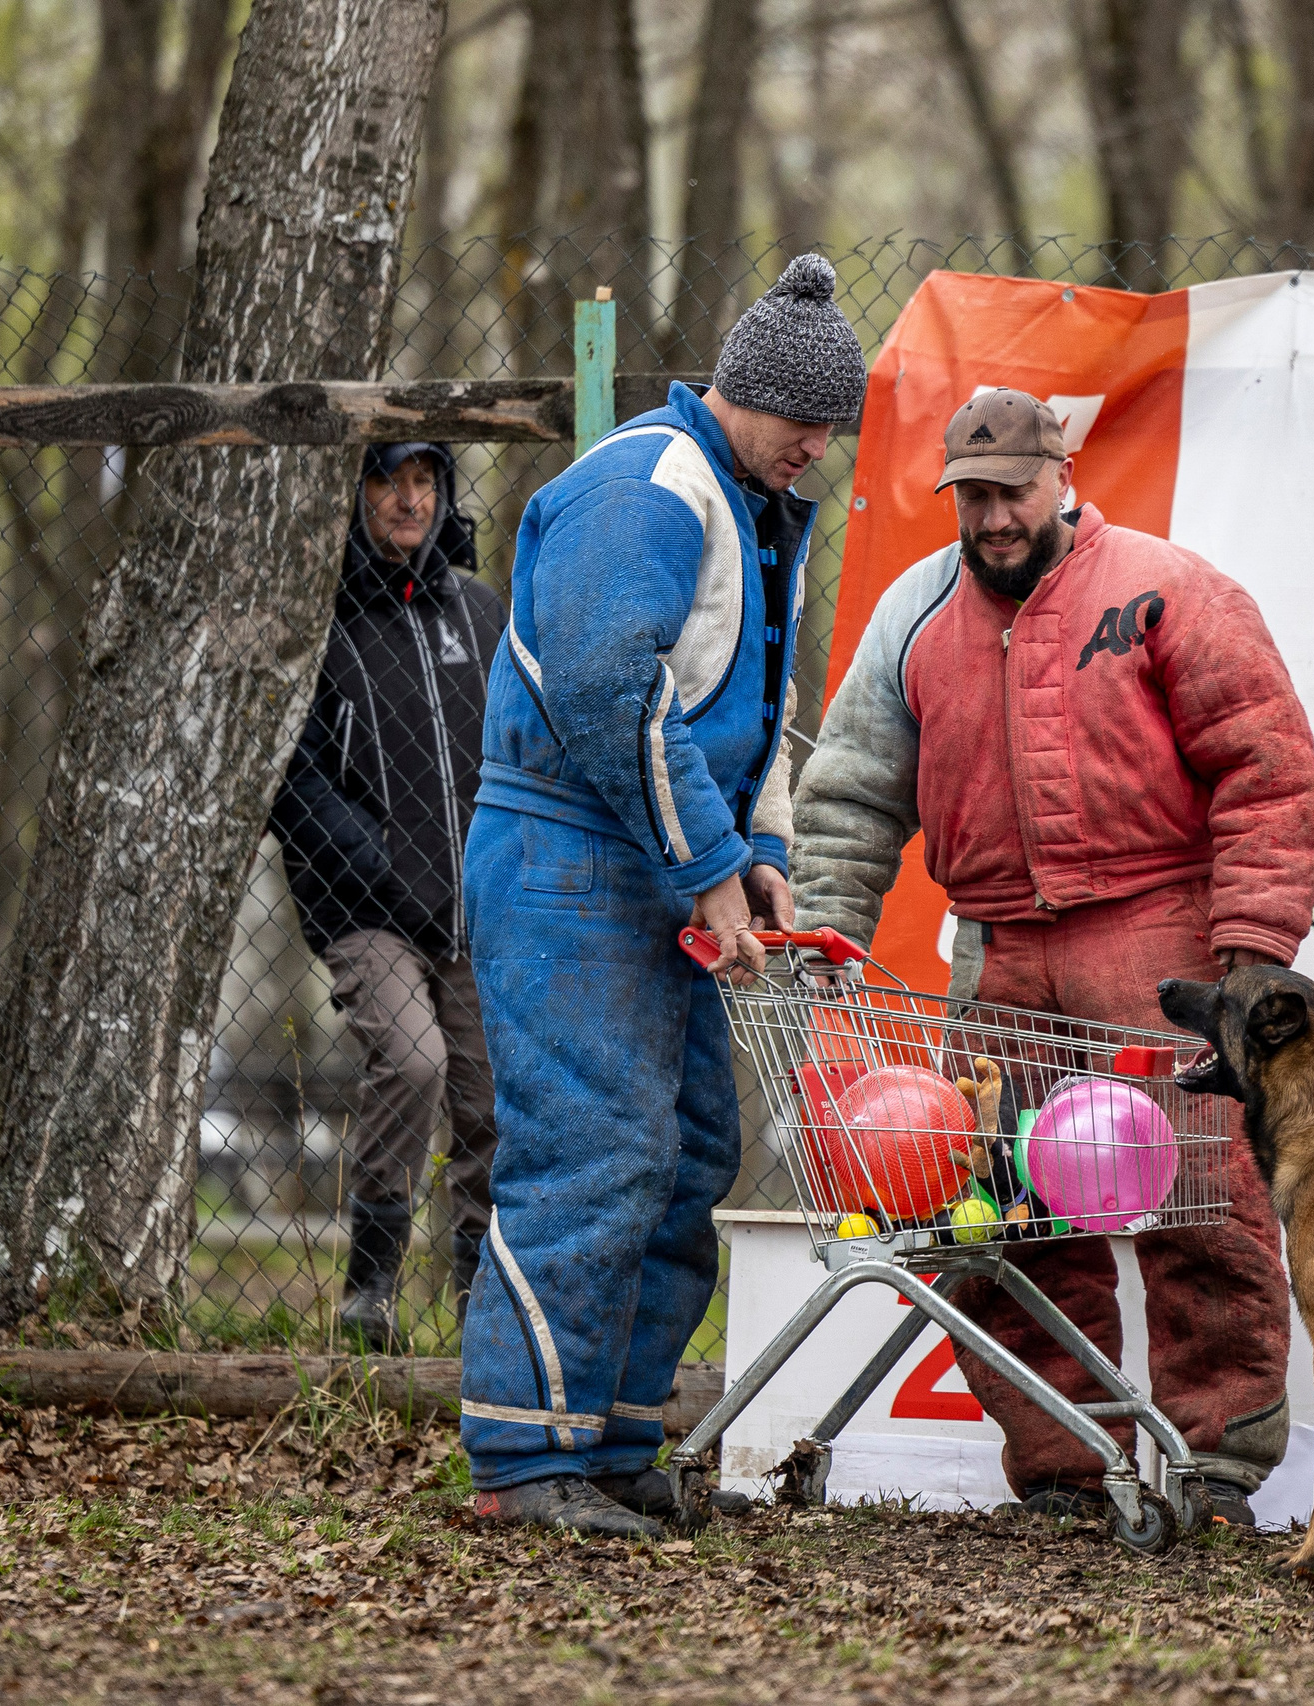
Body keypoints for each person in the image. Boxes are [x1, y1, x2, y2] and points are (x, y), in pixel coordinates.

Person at [792, 388, 1314, 1527]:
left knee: (1204, 1208)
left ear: (1062, 476)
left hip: (1161, 934)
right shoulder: (913, 614)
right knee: (998, 1216)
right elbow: (846, 795)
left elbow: (1265, 770)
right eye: (971, 495)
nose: (990, 517)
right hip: (996, 950)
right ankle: (1062, 1463)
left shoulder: (1170, 591)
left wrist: (1248, 952)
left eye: (1011, 491)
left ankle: (1214, 1464)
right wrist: (827, 939)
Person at [457, 255, 863, 1539]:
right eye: (804, 420)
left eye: (830, 427)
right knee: (594, 1148)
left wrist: (762, 858)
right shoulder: (649, 487)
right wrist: (708, 868)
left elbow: (749, 713)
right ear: (745, 394)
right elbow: (600, 686)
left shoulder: (751, 503)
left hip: (649, 855)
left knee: (684, 1151)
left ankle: (616, 1436)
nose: (819, 446)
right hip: (566, 854)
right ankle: (527, 1457)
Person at [270, 443, 505, 1353]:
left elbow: (520, 746)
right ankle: (371, 1288)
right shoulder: (318, 619)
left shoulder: (478, 611)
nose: (409, 501)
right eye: (386, 482)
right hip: (366, 909)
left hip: (474, 906)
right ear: (355, 492)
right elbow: (295, 784)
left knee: (491, 1099)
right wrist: (385, 864)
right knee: (414, 1065)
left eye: (424, 483)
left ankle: (481, 1302)